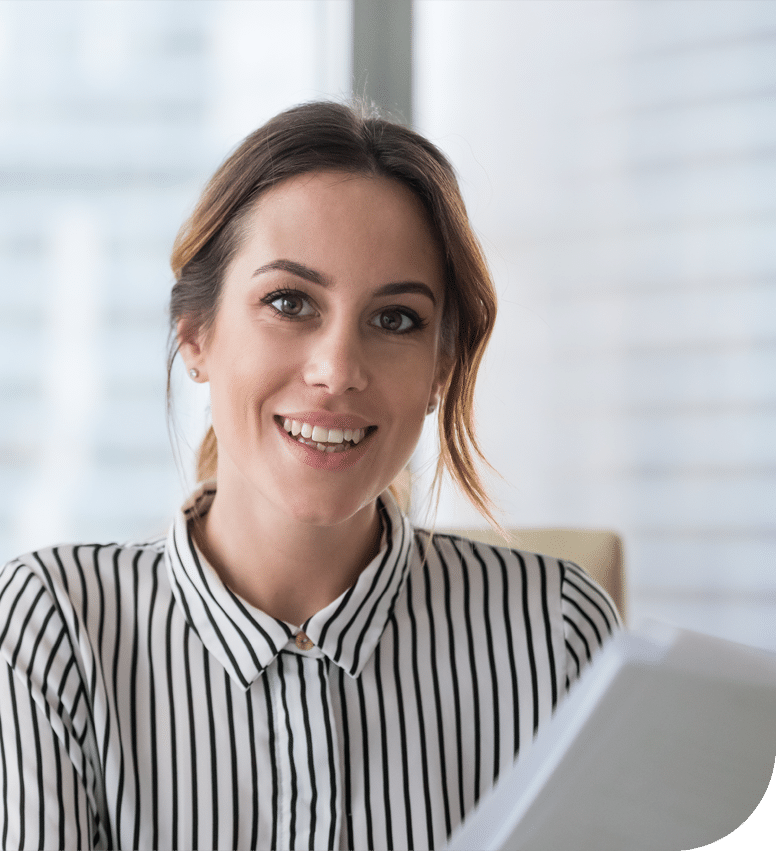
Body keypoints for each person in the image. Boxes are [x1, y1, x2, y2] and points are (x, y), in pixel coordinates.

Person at [0, 101, 621, 851]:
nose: (337, 371)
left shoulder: (555, 633)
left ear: (440, 369)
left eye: (395, 319)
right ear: (195, 334)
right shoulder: (50, 629)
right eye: (289, 303)